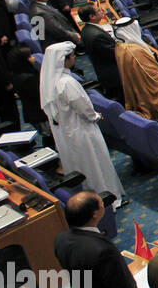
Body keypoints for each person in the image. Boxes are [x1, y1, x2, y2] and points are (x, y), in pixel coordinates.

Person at [53, 192, 146, 288]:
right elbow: (121, 287)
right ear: (95, 213)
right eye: (100, 202)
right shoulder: (103, 250)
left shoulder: (61, 239)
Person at [40, 43, 125, 202]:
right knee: (95, 165)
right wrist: (96, 116)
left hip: (65, 132)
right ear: (64, 60)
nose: (74, 58)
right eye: (72, 56)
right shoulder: (67, 82)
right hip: (82, 130)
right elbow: (83, 107)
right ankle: (107, 199)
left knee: (80, 165)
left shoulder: (49, 80)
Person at [113, 19, 158, 126]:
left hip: (136, 88)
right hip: (147, 93)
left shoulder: (120, 47)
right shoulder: (136, 52)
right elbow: (154, 78)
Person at [77, 6, 120, 99]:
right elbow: (115, 54)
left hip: (103, 69)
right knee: (121, 97)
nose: (102, 11)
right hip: (113, 74)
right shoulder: (96, 36)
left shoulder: (86, 29)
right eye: (98, 10)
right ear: (92, 16)